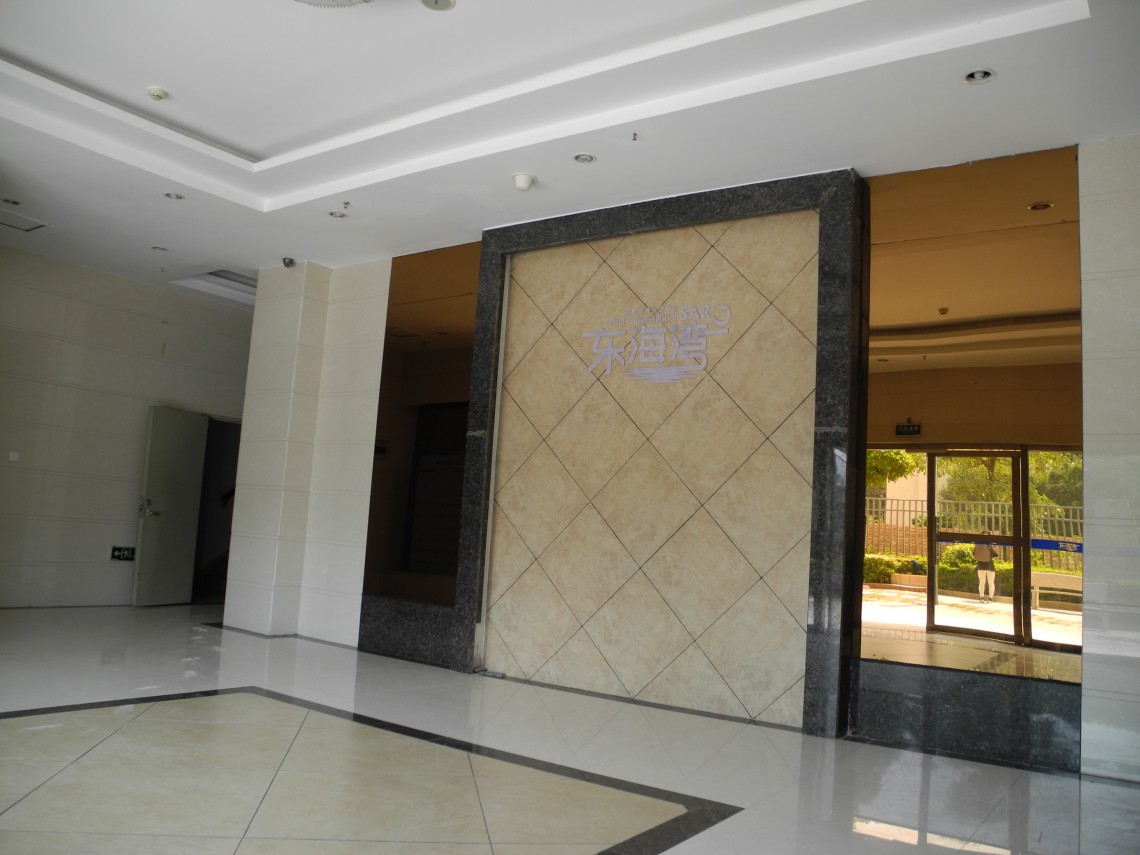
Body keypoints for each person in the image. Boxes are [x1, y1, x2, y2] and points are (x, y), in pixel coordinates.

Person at [974, 534, 997, 602]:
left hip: (980, 565)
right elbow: (993, 554)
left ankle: (981, 597)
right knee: (991, 582)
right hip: (990, 565)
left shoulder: (978, 544)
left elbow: (974, 553)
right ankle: (990, 598)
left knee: (981, 582)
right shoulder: (988, 544)